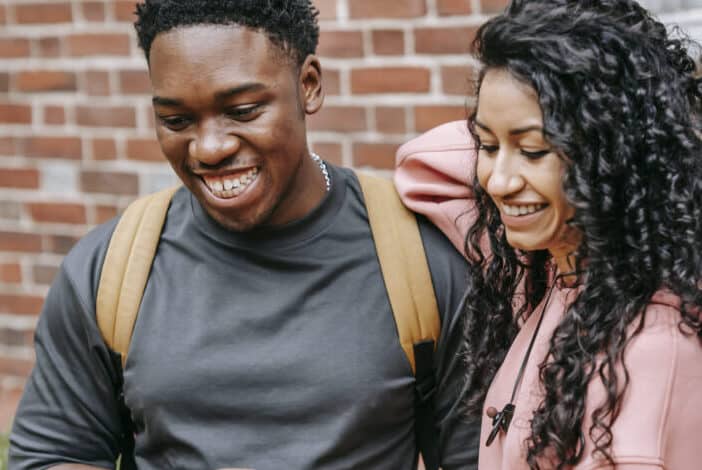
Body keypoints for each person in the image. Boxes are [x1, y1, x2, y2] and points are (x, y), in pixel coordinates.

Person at [8, 1, 480, 469]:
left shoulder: (420, 257)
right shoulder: (109, 270)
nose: (209, 148)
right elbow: (54, 453)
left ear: (309, 86)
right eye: (176, 120)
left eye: (243, 110)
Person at [395, 0, 702, 468]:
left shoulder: (649, 347)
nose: (497, 182)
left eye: (534, 150)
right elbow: (422, 165)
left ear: (613, 152)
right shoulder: (547, 271)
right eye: (488, 145)